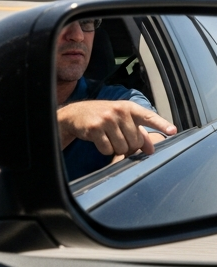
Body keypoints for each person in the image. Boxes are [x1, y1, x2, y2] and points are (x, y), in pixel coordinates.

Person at [56, 17, 176, 180]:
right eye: (61, 22)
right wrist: (64, 122)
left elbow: (155, 142)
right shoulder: (9, 101)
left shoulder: (118, 100)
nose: (78, 35)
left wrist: (132, 158)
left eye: (86, 22)